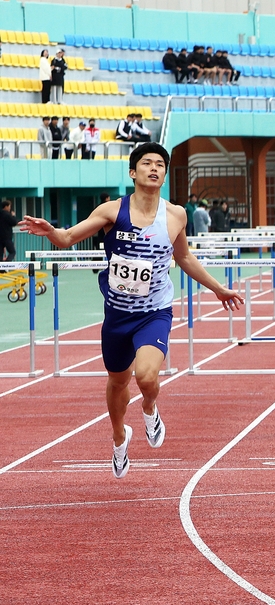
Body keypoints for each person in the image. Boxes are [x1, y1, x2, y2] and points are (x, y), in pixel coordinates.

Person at [18, 143, 244, 479]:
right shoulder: (111, 211)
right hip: (117, 315)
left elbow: (183, 257)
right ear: (132, 172)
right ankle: (119, 436)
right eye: (147, 163)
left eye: (160, 165)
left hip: (154, 311)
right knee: (117, 382)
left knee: (147, 377)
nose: (154, 168)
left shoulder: (176, 215)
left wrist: (218, 288)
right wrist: (51, 232)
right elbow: (67, 238)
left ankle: (150, 407)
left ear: (164, 175)